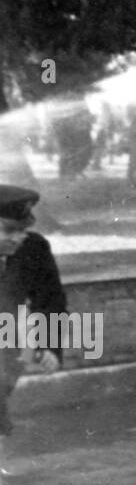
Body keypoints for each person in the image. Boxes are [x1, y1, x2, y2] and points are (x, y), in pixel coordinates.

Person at [0, 186, 67, 439]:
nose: (18, 238)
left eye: (22, 230)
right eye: (9, 230)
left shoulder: (33, 249)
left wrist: (48, 345)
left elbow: (51, 299)